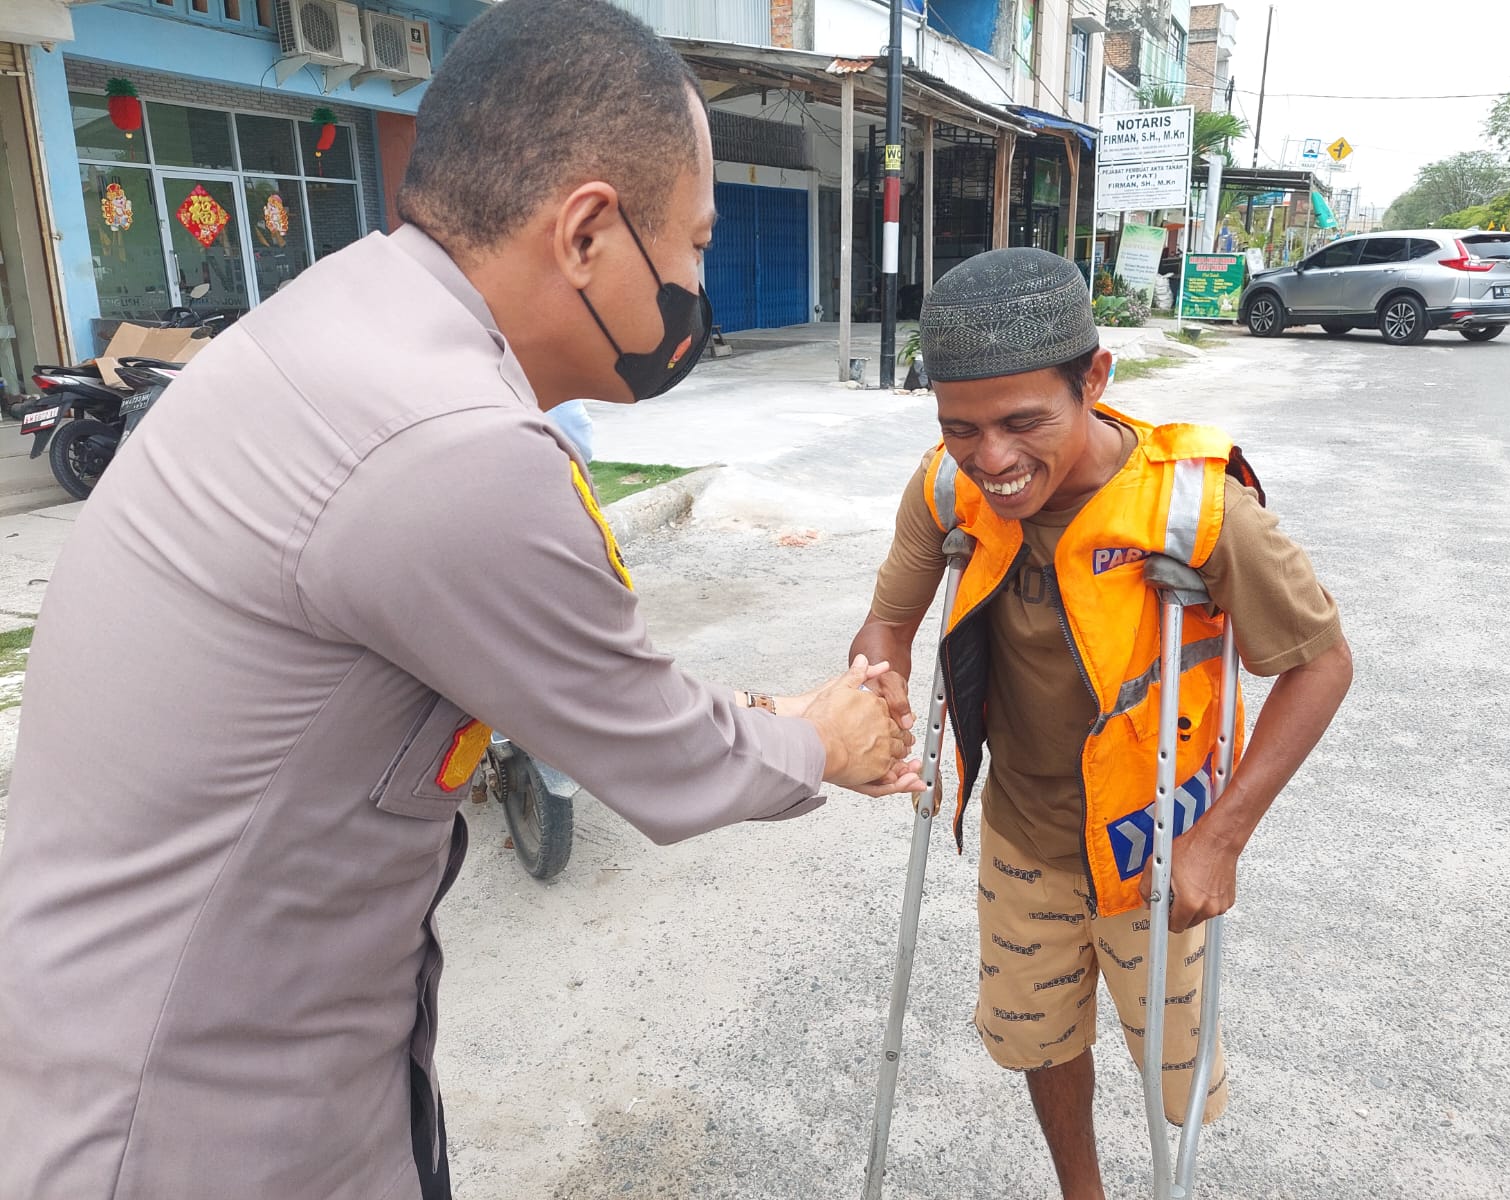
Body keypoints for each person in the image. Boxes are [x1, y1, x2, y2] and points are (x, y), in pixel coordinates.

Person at [0, 4, 923, 1198]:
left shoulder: (353, 318)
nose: (699, 282)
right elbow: (666, 762)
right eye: (692, 244)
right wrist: (827, 735)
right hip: (200, 1119)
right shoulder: (456, 451)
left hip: (168, 1036)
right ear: (588, 231)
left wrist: (762, 707)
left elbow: (577, 688)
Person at [850, 248, 1353, 1198]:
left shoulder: (1199, 507)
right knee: (1042, 1037)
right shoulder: (946, 487)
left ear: (1095, 378)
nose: (992, 461)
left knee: (1173, 1074)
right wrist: (876, 686)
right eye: (962, 429)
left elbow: (1322, 665)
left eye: (1021, 422)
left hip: (1156, 846)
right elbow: (888, 621)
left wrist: (1223, 836)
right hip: (1022, 839)